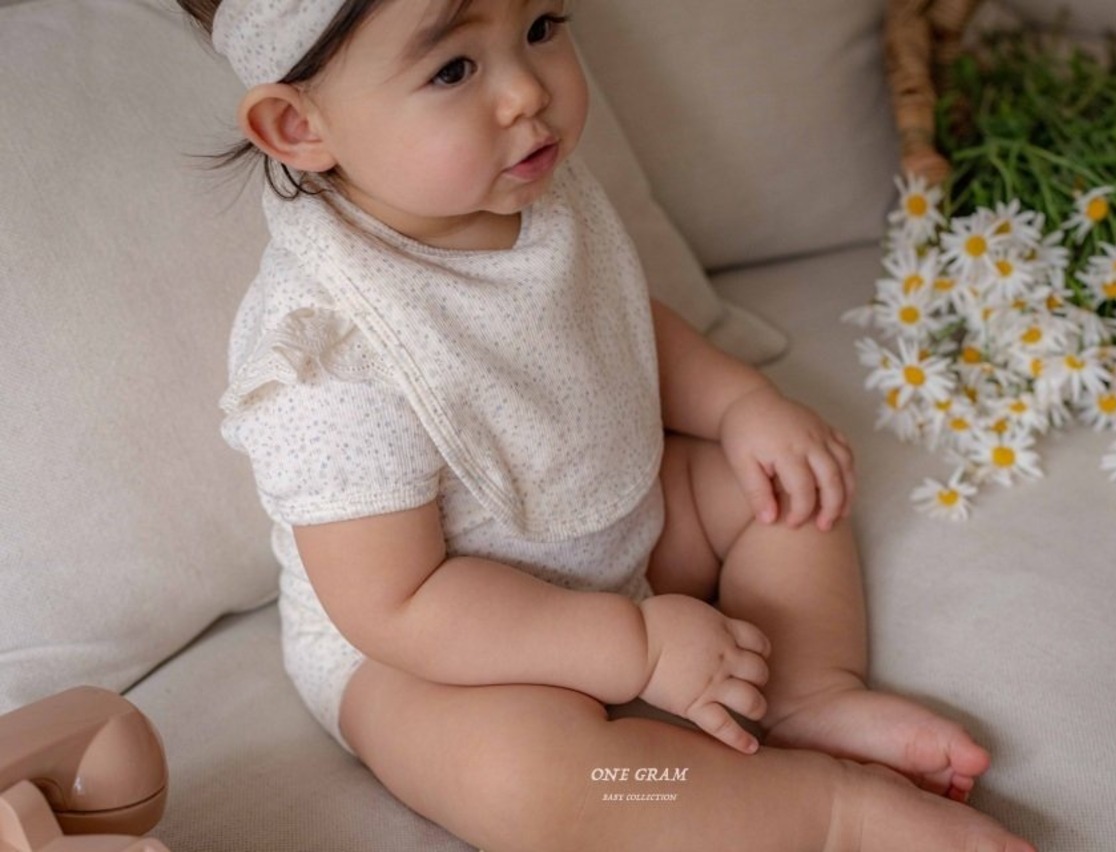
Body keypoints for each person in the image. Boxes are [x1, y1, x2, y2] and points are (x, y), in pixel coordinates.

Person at [182, 0, 1036, 849]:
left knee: (784, 486)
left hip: (621, 522)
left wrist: (742, 405)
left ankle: (809, 694)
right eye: (453, 69)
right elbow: (397, 604)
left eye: (541, 28)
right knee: (526, 781)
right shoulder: (330, 349)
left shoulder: (530, 184)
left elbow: (620, 323)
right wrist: (633, 645)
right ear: (299, 127)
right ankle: (831, 814)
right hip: (434, 649)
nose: (528, 90)